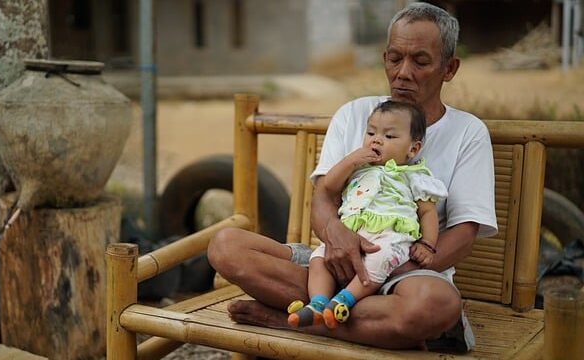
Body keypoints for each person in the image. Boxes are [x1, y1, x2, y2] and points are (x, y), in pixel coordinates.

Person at [208, 2, 497, 352]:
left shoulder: (468, 132)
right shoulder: (356, 114)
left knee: (436, 306)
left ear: (449, 68)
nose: (403, 72)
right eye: (394, 58)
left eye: (420, 61)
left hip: (404, 273)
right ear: (384, 57)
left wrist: (387, 270)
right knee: (225, 247)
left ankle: (289, 320)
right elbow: (324, 198)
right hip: (332, 260)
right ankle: (366, 320)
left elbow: (465, 233)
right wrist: (339, 240)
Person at [287, 100, 447, 330]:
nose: (376, 139)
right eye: (371, 132)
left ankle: (344, 300)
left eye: (390, 136)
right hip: (350, 234)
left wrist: (428, 244)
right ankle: (318, 303)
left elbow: (427, 212)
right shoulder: (358, 169)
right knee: (319, 257)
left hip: (390, 237)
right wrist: (351, 160)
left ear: (413, 149)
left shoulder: (415, 176)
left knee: (380, 259)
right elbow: (328, 187)